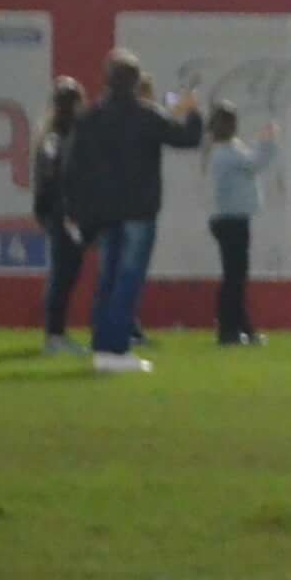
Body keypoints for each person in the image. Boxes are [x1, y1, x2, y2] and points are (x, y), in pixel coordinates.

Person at [64, 51, 203, 375]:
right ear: (136, 81)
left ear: (107, 79)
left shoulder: (90, 117)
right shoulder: (147, 115)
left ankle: (102, 348)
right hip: (139, 211)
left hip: (103, 212)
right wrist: (192, 111)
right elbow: (188, 138)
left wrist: (75, 210)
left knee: (108, 280)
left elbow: (73, 168)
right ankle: (117, 350)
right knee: (128, 281)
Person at [204, 107, 277, 346]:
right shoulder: (227, 153)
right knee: (234, 279)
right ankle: (229, 331)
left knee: (234, 277)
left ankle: (241, 328)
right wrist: (266, 142)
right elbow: (255, 162)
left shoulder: (223, 151)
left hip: (228, 220)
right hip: (232, 222)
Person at [33, 77, 89, 355]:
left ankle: (56, 333)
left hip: (61, 211)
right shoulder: (58, 138)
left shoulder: (57, 135)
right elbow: (53, 178)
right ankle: (54, 335)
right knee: (63, 274)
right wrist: (63, 211)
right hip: (64, 212)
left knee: (66, 272)